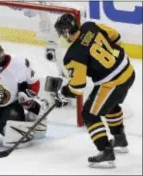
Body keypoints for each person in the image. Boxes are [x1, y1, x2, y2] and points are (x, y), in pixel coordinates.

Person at [54, 14, 135, 168]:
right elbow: (116, 37)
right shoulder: (90, 26)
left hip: (113, 82)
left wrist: (63, 91)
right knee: (110, 103)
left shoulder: (73, 55)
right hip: (128, 70)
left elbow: (77, 87)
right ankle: (120, 140)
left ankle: (106, 151)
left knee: (89, 114)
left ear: (65, 33)